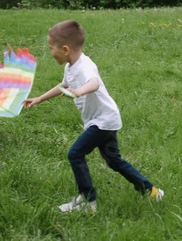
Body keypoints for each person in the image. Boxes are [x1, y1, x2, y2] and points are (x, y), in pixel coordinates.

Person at [23, 20, 164, 214]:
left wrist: (80, 91)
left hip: (103, 121)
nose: (50, 52)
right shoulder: (70, 66)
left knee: (75, 154)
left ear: (65, 49)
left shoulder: (85, 66)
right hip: (105, 119)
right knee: (114, 161)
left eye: (51, 48)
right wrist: (39, 99)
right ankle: (152, 191)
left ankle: (88, 202)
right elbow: (63, 86)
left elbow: (94, 83)